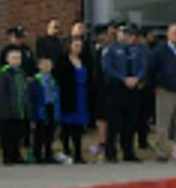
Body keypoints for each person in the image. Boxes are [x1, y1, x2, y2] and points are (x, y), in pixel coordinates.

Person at [99, 23, 145, 162]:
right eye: (124, 32)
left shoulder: (136, 50)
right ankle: (111, 153)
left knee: (130, 122)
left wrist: (137, 78)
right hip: (116, 88)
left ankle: (128, 151)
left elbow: (143, 66)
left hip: (132, 88)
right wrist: (122, 78)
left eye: (129, 33)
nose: (127, 35)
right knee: (114, 122)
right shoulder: (110, 49)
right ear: (117, 33)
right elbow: (107, 68)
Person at [53, 36, 93, 162]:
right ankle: (66, 149)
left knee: (78, 127)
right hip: (68, 94)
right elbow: (59, 77)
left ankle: (78, 153)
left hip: (81, 93)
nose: (78, 48)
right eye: (76, 45)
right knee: (67, 125)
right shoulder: (62, 60)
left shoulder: (84, 60)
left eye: (80, 46)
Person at [0, 46, 30, 165]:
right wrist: (5, 108)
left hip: (19, 108)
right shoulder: (4, 74)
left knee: (17, 133)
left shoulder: (21, 73)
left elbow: (24, 90)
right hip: (8, 110)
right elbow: (2, 93)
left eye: (19, 58)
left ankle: (16, 154)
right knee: (7, 134)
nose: (17, 60)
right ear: (8, 59)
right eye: (14, 58)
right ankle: (7, 156)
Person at [27, 54, 62, 163]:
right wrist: (32, 113)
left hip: (51, 107)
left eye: (49, 65)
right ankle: (38, 155)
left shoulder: (53, 80)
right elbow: (31, 98)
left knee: (50, 133)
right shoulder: (35, 80)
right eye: (45, 65)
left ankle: (48, 154)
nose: (47, 67)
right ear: (39, 66)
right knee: (39, 133)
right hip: (40, 108)